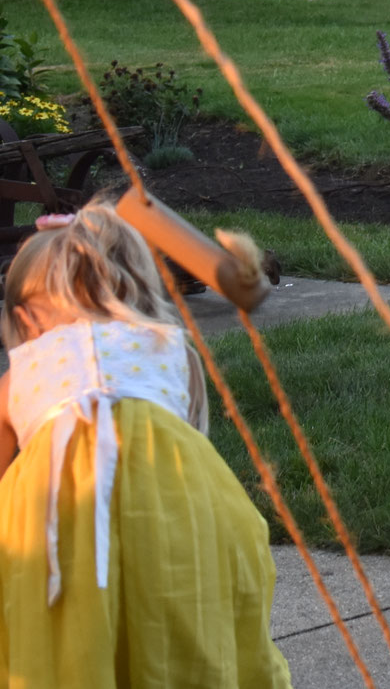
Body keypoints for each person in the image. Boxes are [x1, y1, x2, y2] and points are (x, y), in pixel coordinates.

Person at [0, 206, 293, 687]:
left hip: (57, 520)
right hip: (179, 513)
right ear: (135, 291)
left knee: (63, 636)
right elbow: (191, 446)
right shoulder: (168, 347)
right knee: (183, 624)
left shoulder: (23, 372)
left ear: (25, 317)